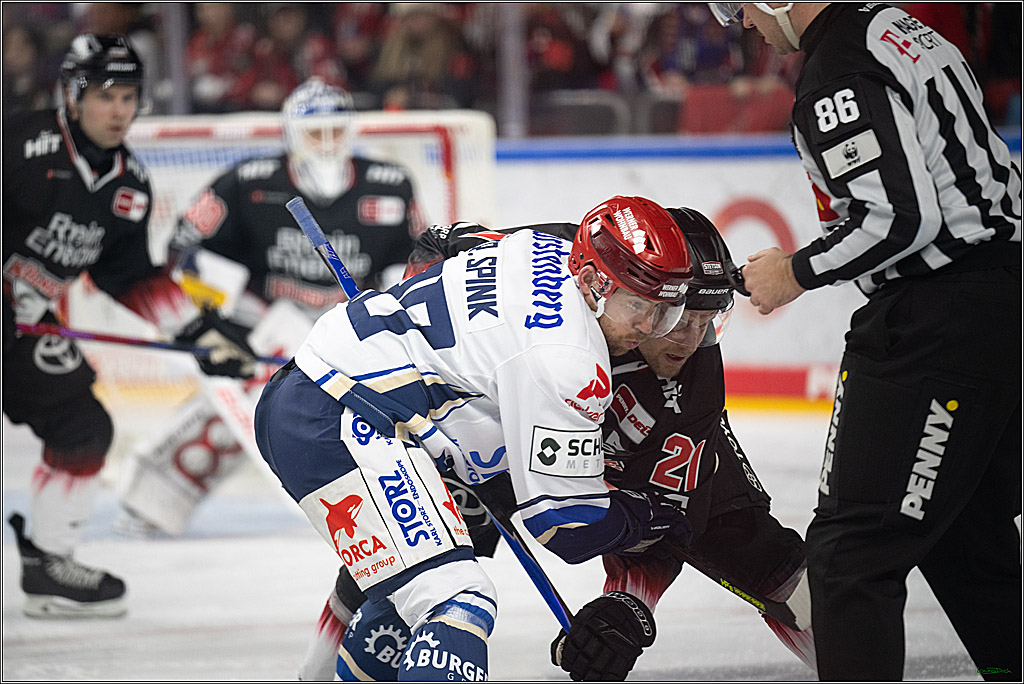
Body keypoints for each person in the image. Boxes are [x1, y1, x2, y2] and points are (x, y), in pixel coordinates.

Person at [296, 211, 818, 682]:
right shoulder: (575, 260)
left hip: (597, 464)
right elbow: (447, 247)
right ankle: (318, 671)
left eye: (709, 322)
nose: (686, 338)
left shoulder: (688, 398)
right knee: (415, 549)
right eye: (676, 315)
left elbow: (662, 519)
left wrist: (626, 608)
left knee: (758, 556)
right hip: (481, 430)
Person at [254, 195, 696, 681]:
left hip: (327, 397)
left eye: (665, 310)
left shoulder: (537, 245)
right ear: (593, 282)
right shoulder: (570, 360)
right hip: (342, 421)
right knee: (459, 599)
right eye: (639, 307)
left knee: (416, 595)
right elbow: (567, 525)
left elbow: (440, 252)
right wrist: (651, 518)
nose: (652, 328)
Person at [710, 3, 1022, 680]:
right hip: (1002, 302)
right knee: (963, 537)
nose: (738, 23)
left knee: (849, 555)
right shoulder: (899, 27)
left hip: (941, 319)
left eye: (736, 5)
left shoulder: (837, 67)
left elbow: (899, 217)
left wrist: (795, 271)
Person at [3, 34, 253, 619]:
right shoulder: (20, 144)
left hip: (26, 325)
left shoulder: (128, 187)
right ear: (72, 95)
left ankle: (49, 563)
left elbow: (131, 275)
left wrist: (201, 338)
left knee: (82, 426)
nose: (119, 111)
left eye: (129, 97)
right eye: (105, 96)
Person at [116, 77, 425, 539]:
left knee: (382, 411)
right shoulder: (249, 181)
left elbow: (415, 265)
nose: (326, 143)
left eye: (336, 130)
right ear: (291, 134)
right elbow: (184, 249)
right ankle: (153, 500)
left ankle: (405, 501)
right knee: (241, 408)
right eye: (314, 132)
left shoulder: (392, 185)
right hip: (263, 320)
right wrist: (228, 314)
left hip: (348, 326)